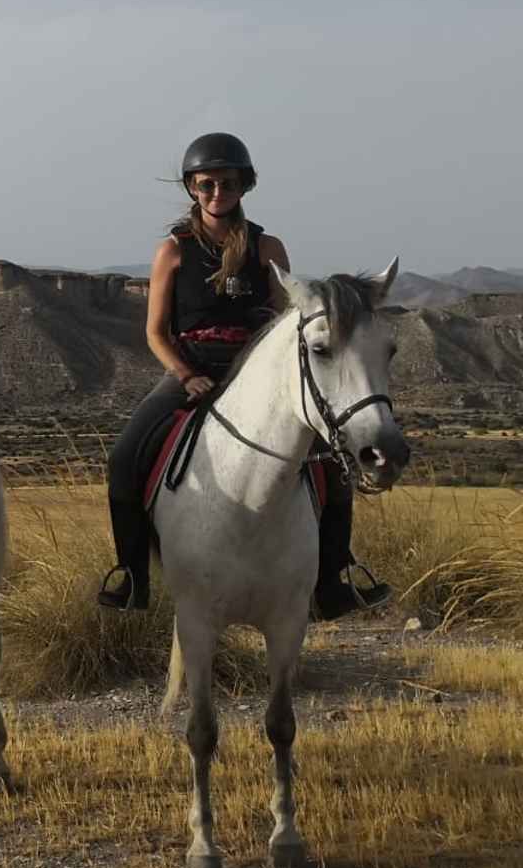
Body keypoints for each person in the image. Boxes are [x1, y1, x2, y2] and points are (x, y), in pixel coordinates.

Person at [96, 132, 393, 620]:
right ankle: (131, 576)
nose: (217, 192)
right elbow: (155, 333)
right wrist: (185, 375)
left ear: (244, 185)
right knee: (124, 457)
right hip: (193, 368)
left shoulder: (267, 247)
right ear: (192, 187)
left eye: (228, 183)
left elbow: (286, 326)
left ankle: (335, 578)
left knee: (330, 465)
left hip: (256, 375)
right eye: (207, 183)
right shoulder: (173, 250)